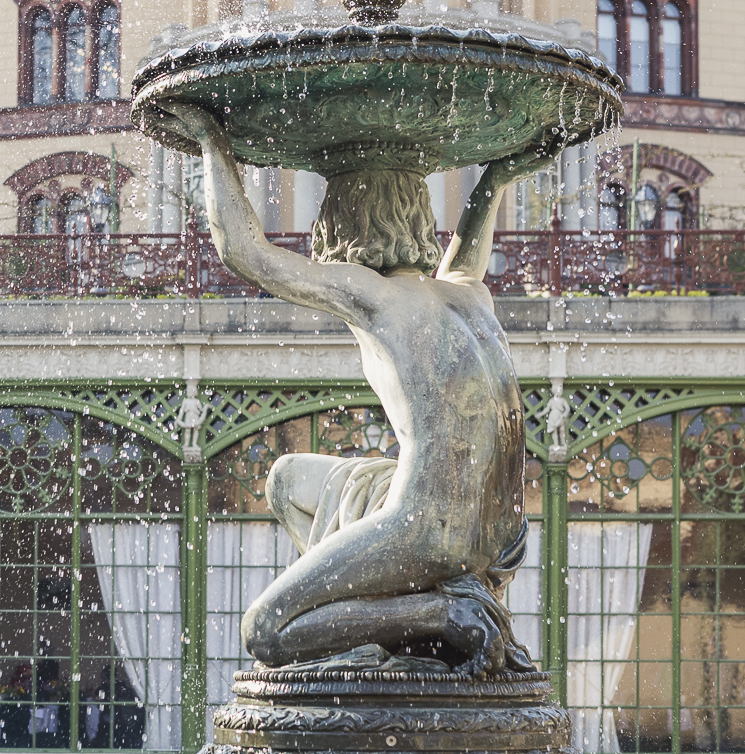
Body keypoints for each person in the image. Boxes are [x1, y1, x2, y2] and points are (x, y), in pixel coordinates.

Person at [163, 104, 546, 674]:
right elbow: (467, 258)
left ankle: (437, 613)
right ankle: (367, 620)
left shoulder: (372, 295)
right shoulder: (470, 294)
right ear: (419, 221)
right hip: (501, 535)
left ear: (338, 227)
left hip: (427, 529)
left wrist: (209, 140)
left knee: (265, 629)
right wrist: (496, 179)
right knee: (287, 479)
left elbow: (245, 252)